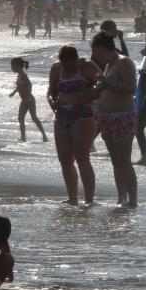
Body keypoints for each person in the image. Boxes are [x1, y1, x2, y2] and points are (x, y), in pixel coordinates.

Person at [47, 45, 101, 205]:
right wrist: (52, 102)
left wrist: (84, 99)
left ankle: (89, 199)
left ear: (77, 59)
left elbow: (103, 86)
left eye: (71, 64)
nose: (68, 67)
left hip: (83, 114)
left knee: (82, 157)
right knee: (64, 159)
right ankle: (72, 198)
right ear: (61, 61)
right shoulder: (56, 69)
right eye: (65, 64)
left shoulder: (88, 67)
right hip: (62, 114)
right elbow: (51, 91)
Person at [91, 32, 138, 207]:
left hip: (122, 117)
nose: (95, 55)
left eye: (96, 51)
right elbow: (106, 87)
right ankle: (121, 198)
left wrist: (106, 82)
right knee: (115, 162)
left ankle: (133, 200)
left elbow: (131, 87)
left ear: (105, 47)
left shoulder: (124, 62)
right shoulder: (109, 65)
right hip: (106, 118)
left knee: (124, 161)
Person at [9, 57, 48, 142]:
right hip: (24, 100)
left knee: (34, 118)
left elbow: (29, 84)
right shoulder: (20, 75)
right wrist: (14, 92)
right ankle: (23, 137)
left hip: (29, 100)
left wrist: (28, 93)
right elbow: (19, 86)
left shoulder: (23, 74)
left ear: (19, 66)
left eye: (13, 66)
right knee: (20, 118)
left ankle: (44, 136)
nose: (12, 68)